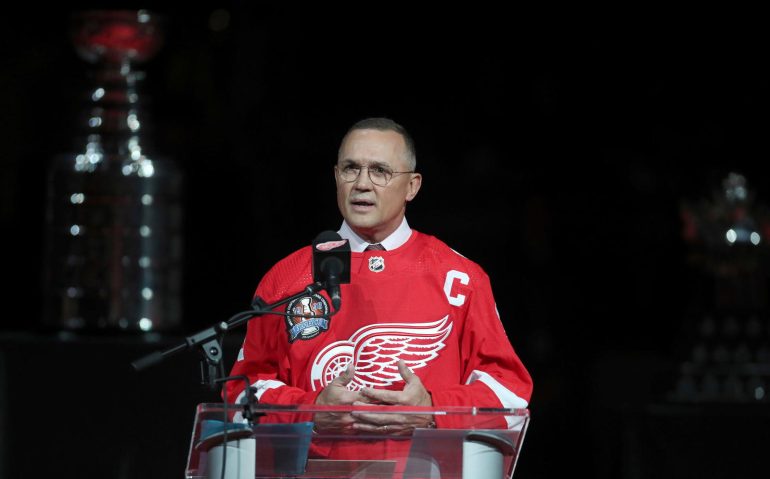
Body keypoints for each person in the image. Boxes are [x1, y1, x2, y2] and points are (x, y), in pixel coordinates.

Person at [225, 117, 532, 437]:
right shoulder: (286, 278)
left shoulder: (460, 278)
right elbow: (241, 394)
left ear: (412, 186)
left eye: (380, 171)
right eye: (350, 168)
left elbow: (509, 396)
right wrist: (311, 411)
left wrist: (432, 409)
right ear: (335, 177)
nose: (361, 183)